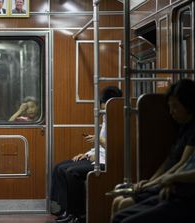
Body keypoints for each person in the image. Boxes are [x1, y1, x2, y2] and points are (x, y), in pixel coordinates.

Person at [111, 79, 195, 223]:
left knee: (123, 206)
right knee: (118, 200)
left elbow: (181, 164)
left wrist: (156, 183)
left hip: (178, 189)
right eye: (169, 107)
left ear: (189, 105)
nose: (171, 112)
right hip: (167, 182)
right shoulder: (182, 128)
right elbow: (169, 161)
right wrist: (149, 181)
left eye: (175, 107)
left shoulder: (193, 131)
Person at [51, 86, 122, 223]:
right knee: (59, 167)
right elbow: (101, 144)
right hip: (98, 156)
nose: (103, 112)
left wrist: (98, 141)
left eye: (105, 108)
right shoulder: (107, 119)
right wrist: (88, 153)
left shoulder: (121, 121)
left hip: (107, 161)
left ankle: (78, 214)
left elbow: (117, 148)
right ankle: (64, 209)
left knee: (71, 172)